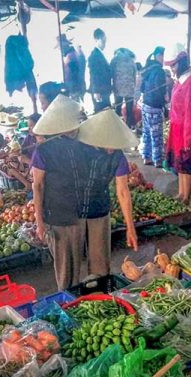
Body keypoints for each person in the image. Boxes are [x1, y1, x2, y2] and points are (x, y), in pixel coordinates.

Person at [30, 95, 88, 291]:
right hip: (56, 217)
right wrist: (39, 223)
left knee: (77, 264)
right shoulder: (43, 150)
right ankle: (67, 302)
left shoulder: (81, 144)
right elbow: (37, 187)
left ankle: (75, 298)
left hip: (78, 213)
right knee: (64, 270)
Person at [76, 108, 139, 278]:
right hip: (71, 210)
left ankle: (100, 293)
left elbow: (123, 191)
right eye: (109, 143)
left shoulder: (117, 156)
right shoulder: (78, 148)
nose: (112, 148)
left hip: (99, 209)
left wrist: (130, 228)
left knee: (100, 266)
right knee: (71, 267)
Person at [164, 51, 191, 204]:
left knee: (186, 164)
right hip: (176, 128)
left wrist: (188, 138)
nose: (172, 68)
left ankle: (186, 197)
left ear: (181, 63)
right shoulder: (179, 81)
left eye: (173, 65)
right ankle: (181, 192)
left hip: (185, 129)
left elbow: (190, 112)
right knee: (179, 164)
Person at [139, 46, 167, 168]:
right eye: (162, 56)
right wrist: (164, 103)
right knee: (157, 134)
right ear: (158, 56)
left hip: (145, 105)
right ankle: (158, 160)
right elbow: (159, 89)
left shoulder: (148, 68)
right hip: (155, 106)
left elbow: (141, 88)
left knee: (146, 132)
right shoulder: (159, 71)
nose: (163, 59)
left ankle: (146, 157)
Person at [111, 48, 137, 128]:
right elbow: (134, 75)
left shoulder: (115, 59)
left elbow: (111, 73)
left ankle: (116, 128)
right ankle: (128, 128)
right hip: (130, 89)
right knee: (129, 111)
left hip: (118, 88)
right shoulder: (131, 60)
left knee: (117, 109)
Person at [88, 28, 112, 112]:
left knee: (104, 111)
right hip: (100, 91)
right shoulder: (94, 55)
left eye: (105, 41)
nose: (105, 44)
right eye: (103, 41)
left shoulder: (99, 54)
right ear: (96, 40)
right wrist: (96, 91)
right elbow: (94, 75)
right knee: (101, 113)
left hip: (103, 89)